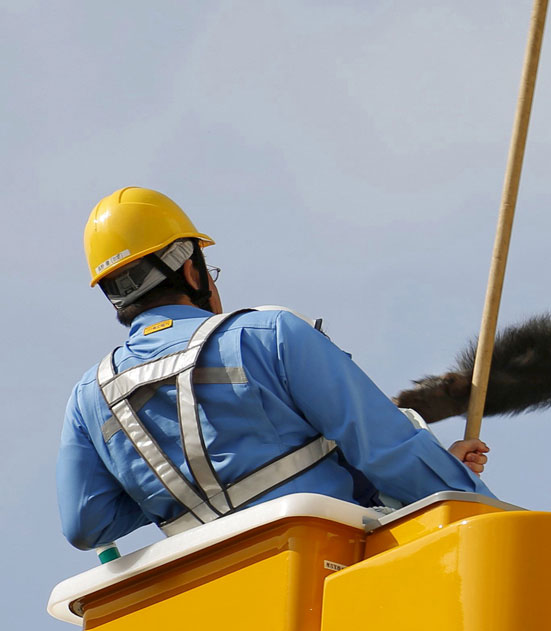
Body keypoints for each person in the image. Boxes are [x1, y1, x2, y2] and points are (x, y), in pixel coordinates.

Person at [57, 187, 492, 550]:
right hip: (324, 568)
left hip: (210, 598)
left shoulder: (89, 399)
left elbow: (86, 524)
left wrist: (168, 487)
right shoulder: (268, 335)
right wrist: (475, 505)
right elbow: (387, 450)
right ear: (192, 270)